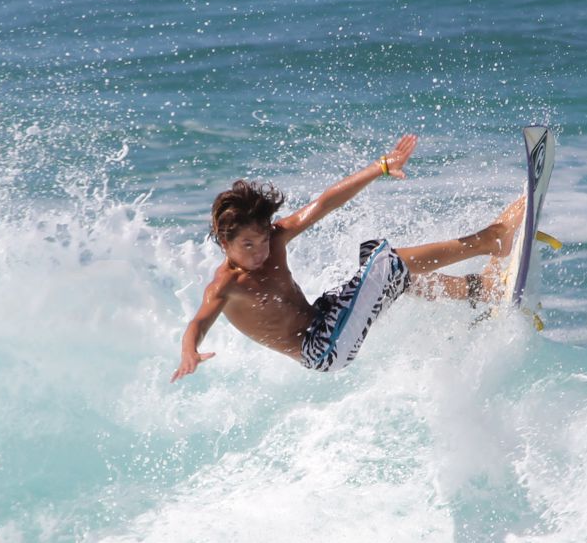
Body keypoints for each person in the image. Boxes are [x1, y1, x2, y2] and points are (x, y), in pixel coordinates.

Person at [171, 134, 523, 381]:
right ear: (223, 242)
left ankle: (479, 290)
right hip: (322, 350)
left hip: (325, 318)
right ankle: (491, 240)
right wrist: (190, 351)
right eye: (248, 246)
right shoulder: (227, 284)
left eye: (263, 239)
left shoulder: (276, 239)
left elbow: (324, 203)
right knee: (385, 265)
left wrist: (380, 166)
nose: (260, 251)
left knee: (375, 259)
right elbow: (198, 323)